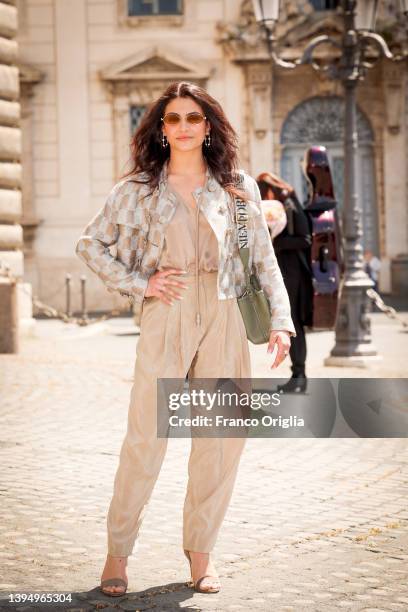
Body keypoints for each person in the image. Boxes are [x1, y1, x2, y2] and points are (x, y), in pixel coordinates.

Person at [75, 82, 295, 597]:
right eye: (172, 119)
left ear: (209, 126)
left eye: (193, 117)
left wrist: (281, 321)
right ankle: (118, 553)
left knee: (220, 440)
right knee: (146, 438)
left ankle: (201, 552)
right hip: (167, 311)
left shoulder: (238, 186)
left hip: (224, 312)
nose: (183, 127)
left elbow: (262, 257)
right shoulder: (138, 189)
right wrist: (140, 283)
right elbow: (91, 245)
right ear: (161, 130)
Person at [256, 172, 313, 393]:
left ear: (269, 191)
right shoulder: (284, 201)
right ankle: (298, 375)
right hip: (280, 270)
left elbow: (304, 239)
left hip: (292, 272)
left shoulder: (289, 201)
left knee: (293, 323)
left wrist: (273, 242)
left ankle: (299, 375)